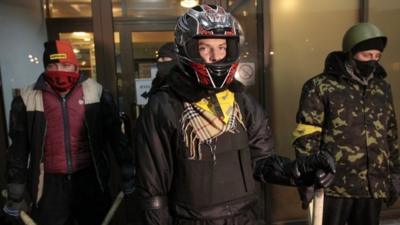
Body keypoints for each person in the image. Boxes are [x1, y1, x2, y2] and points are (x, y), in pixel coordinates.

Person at [133, 4, 336, 225]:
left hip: (246, 218)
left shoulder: (243, 102)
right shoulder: (164, 106)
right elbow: (153, 191)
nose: (216, 56)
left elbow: (262, 163)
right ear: (187, 49)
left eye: (221, 47)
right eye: (204, 48)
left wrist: (297, 170)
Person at [3, 40, 135, 225]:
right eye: (52, 65)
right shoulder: (26, 98)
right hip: (48, 188)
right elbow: (17, 150)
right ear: (45, 67)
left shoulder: (96, 93)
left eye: (65, 65)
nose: (60, 70)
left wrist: (128, 173)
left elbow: (116, 138)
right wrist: (15, 194)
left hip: (90, 181)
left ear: (75, 65)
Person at [293, 22, 400, 225]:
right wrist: (308, 177)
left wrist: (394, 174)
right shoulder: (320, 86)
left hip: (372, 186)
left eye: (377, 56)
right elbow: (306, 136)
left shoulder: (382, 88)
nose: (372, 61)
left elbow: (391, 135)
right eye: (367, 55)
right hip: (334, 186)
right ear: (351, 53)